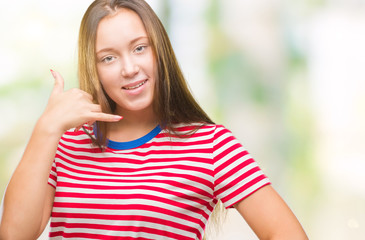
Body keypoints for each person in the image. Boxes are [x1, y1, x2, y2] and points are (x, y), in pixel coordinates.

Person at [0, 0, 308, 239]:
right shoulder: (65, 142)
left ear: (159, 51)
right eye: (109, 57)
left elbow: (288, 234)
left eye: (139, 48)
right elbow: (14, 235)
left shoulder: (211, 145)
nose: (129, 68)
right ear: (93, 67)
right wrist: (46, 128)